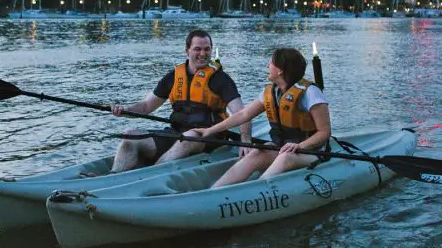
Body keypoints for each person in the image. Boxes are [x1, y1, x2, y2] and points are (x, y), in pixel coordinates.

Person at [108, 29, 249, 173]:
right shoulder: (173, 76)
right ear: (187, 50)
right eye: (197, 49)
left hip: (208, 137)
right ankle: (113, 176)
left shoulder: (220, 79)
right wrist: (124, 110)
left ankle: (152, 172)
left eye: (207, 49)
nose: (203, 54)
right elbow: (146, 107)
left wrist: (246, 141)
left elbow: (242, 113)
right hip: (175, 133)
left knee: (189, 137)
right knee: (130, 134)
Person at [192, 47, 331, 188]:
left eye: (271, 63)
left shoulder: (311, 93)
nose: (267, 66)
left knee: (286, 157)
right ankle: (216, 189)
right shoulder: (272, 91)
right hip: (283, 147)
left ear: (280, 70)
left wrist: (299, 146)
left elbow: (324, 133)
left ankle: (255, 191)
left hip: (311, 152)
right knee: (257, 152)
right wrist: (210, 131)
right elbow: (243, 114)